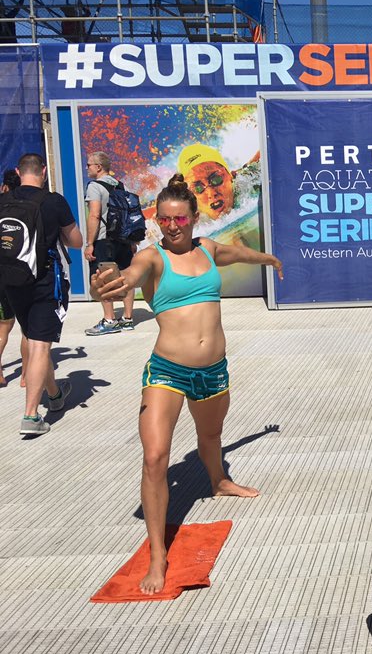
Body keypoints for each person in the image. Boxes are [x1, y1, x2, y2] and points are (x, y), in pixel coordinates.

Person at [91, 174, 282, 595]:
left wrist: (268, 259)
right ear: (157, 220)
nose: (172, 226)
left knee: (211, 437)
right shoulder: (152, 258)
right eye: (164, 219)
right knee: (156, 457)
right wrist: (117, 282)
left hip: (213, 370)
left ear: (194, 219)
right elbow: (132, 272)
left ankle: (218, 481)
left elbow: (235, 253)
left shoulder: (208, 249)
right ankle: (159, 552)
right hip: (167, 372)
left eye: (179, 219)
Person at [6, 154, 81, 435]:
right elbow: (76, 241)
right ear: (45, 172)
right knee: (39, 346)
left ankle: (55, 394)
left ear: (18, 172)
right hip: (44, 280)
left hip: (12, 281)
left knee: (35, 339)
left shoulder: (4, 200)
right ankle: (30, 416)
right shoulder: (54, 201)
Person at [83, 151, 136, 335]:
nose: (87, 167)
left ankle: (109, 320)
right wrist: (131, 240)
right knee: (125, 277)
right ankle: (128, 318)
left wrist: (89, 243)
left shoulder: (94, 187)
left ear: (98, 167)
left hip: (104, 240)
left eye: (89, 164)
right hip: (123, 239)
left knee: (102, 279)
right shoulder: (120, 185)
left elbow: (95, 215)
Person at [178, 143, 260, 222]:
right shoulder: (191, 222)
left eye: (216, 179)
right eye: (198, 188)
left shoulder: (248, 182)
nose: (211, 193)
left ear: (231, 176)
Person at [0, 168, 27, 387]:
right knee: (28, 330)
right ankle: (27, 376)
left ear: (4, 186)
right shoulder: (28, 206)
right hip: (24, 273)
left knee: (4, 325)